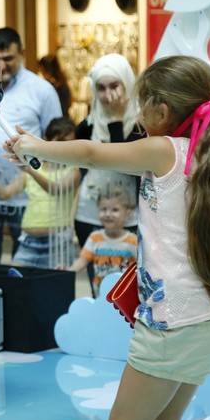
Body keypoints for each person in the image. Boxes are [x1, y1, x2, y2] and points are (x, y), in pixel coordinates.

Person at [5, 55, 210, 420]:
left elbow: (92, 154)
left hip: (173, 320)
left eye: (142, 105)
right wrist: (36, 150)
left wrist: (37, 146)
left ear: (162, 110)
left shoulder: (164, 150)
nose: (137, 115)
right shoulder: (206, 153)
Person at [0, 27, 62, 262]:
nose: (2, 65)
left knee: (24, 266)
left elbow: (57, 140)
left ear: (22, 53)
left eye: (8, 58)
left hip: (29, 197)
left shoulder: (42, 90)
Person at [73, 54, 142, 295]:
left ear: (127, 84)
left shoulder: (140, 125)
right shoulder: (88, 125)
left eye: (114, 86)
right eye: (101, 88)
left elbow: (123, 161)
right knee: (98, 285)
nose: (107, 94)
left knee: (128, 288)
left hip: (128, 215)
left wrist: (115, 121)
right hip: (90, 211)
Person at [0, 117, 81, 268]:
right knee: (15, 280)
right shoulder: (32, 171)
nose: (65, 148)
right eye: (61, 141)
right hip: (27, 241)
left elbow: (56, 190)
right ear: (46, 140)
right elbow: (4, 194)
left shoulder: (73, 171)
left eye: (70, 143)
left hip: (58, 243)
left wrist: (31, 170)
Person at [70, 185, 137, 293]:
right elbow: (82, 261)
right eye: (103, 209)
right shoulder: (95, 238)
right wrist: (67, 272)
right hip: (100, 296)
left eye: (115, 210)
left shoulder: (133, 241)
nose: (108, 214)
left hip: (124, 297)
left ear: (127, 213)